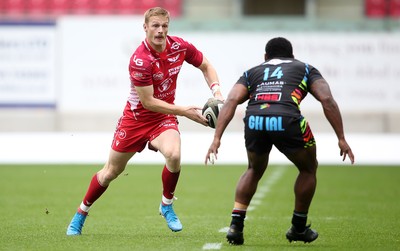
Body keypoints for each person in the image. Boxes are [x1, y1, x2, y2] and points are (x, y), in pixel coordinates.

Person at [66, 7, 224, 235]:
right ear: (145, 28)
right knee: (110, 172)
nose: (160, 31)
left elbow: (206, 65)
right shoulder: (140, 60)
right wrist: (183, 111)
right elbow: (148, 102)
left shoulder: (179, 46)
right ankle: (81, 213)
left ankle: (166, 205)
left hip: (163, 118)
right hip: (136, 120)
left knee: (174, 154)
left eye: (164, 26)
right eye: (155, 26)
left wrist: (217, 93)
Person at [205, 37, 355, 245]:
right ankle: (298, 227)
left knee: (253, 170)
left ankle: (235, 227)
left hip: (255, 120)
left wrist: (216, 138)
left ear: (266, 57)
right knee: (308, 169)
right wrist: (341, 138)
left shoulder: (252, 72)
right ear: (291, 56)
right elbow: (327, 99)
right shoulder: (305, 69)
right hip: (286, 119)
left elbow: (231, 100)